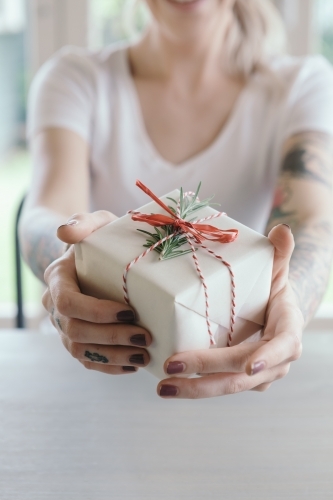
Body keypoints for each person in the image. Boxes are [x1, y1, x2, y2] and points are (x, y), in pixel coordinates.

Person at [20, 0, 333, 399]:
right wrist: (71, 261)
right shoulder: (75, 78)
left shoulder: (301, 84)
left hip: (238, 384)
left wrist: (289, 304)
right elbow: (44, 212)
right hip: (89, 383)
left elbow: (311, 224)